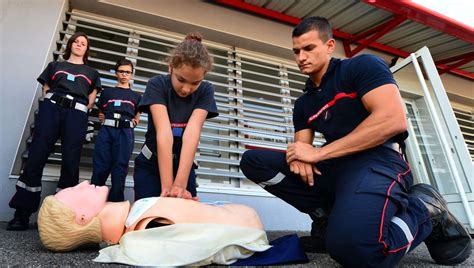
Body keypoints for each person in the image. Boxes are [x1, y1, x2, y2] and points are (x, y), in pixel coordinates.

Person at [239, 16, 471, 267]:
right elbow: (302, 149)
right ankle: (329, 219)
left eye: (308, 48)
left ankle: (424, 209)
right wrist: (300, 155)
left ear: (329, 45)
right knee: (254, 161)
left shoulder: (360, 67)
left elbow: (392, 120)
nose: (301, 57)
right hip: (335, 169)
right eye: (296, 51)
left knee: (358, 251)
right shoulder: (304, 104)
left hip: (378, 162)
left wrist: (317, 154)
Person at [37, 181, 268, 263]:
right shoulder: (143, 229)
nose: (84, 183)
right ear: (83, 218)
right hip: (247, 223)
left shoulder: (137, 221)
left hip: (242, 218)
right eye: (76, 191)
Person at [7, 32, 102, 231]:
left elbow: (92, 96)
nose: (79, 44)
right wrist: (51, 102)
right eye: (76, 41)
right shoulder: (55, 66)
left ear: (87, 49)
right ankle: (22, 214)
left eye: (83, 43)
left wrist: (83, 111)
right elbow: (46, 87)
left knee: (70, 162)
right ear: (70, 44)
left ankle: (61, 218)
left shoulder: (91, 73)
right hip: (52, 110)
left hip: (76, 115)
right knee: (36, 156)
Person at [134, 32, 218, 201]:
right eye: (181, 80)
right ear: (170, 67)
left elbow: (192, 134)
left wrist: (180, 185)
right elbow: (164, 133)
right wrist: (167, 188)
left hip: (184, 167)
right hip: (151, 164)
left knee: (184, 222)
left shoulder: (206, 90)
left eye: (195, 83)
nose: (186, 89)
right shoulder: (157, 84)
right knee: (148, 221)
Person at [90, 57, 141, 201]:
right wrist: (102, 115)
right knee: (100, 166)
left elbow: (138, 112)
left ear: (131, 74)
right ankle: (93, 203)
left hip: (125, 133)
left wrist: (136, 119)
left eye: (128, 72)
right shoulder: (107, 92)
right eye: (121, 71)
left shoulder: (136, 96)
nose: (124, 74)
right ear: (116, 73)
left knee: (120, 168)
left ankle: (115, 205)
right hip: (107, 131)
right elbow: (100, 110)